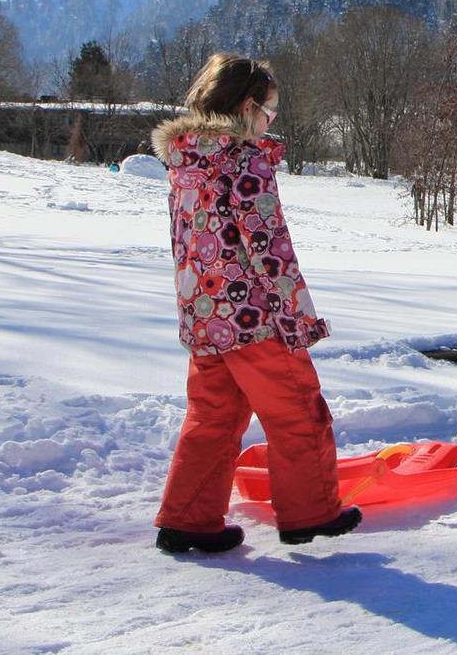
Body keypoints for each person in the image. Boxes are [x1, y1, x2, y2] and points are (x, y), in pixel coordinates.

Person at [150, 54, 360, 554]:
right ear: (247, 108)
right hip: (254, 316)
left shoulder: (186, 160)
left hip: (203, 314)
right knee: (298, 410)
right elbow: (268, 245)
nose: (271, 123)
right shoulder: (243, 159)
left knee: (214, 416)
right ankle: (310, 513)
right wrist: (296, 318)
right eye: (270, 112)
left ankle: (188, 518)